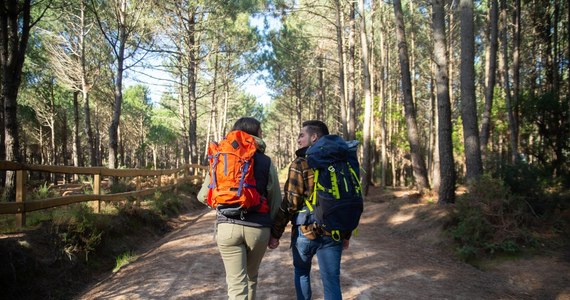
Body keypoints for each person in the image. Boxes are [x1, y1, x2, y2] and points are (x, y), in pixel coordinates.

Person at [197, 117, 282, 300]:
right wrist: (275, 232)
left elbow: (203, 195)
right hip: (258, 230)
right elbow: (275, 200)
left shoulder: (222, 158)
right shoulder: (266, 162)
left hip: (227, 227)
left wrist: (226, 202)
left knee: (236, 284)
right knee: (251, 279)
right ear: (257, 134)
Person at [269, 120, 350, 300]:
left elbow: (291, 202)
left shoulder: (300, 163)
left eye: (301, 135)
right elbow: (349, 199)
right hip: (334, 231)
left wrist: (276, 232)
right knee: (331, 281)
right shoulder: (341, 161)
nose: (298, 140)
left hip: (305, 231)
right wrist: (347, 233)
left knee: (302, 273)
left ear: (314, 137)